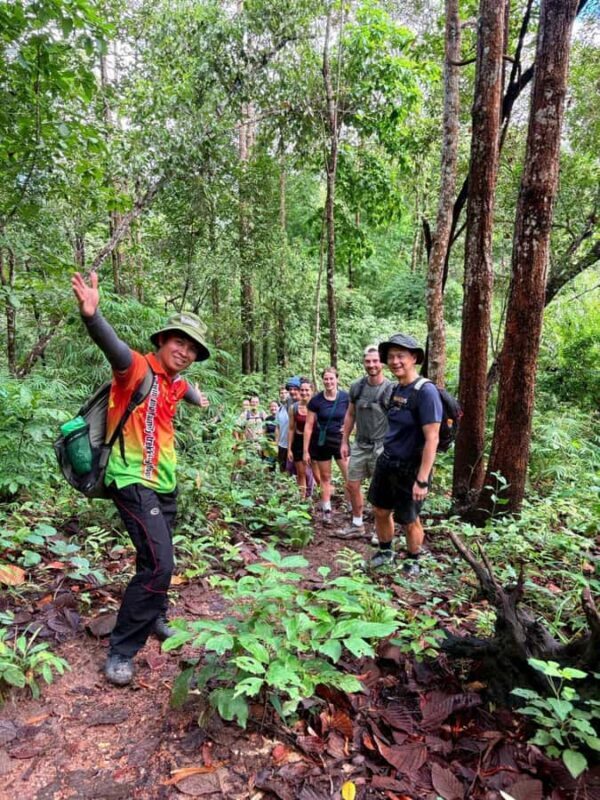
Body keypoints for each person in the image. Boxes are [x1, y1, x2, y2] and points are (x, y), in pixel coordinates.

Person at [71, 271, 210, 686]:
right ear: (162, 342)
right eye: (178, 342)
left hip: (165, 483)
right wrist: (93, 316)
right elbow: (112, 348)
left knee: (155, 556)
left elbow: (183, 387)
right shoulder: (135, 369)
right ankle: (122, 649)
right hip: (131, 479)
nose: (184, 352)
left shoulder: (173, 381)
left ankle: (156, 615)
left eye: (191, 348)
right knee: (161, 563)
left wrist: (197, 396)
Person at [367, 334, 442, 575]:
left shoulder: (426, 392)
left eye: (401, 356)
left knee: (410, 519)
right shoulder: (396, 389)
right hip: (388, 461)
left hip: (412, 468)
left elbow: (433, 438)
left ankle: (413, 559)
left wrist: (422, 479)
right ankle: (386, 551)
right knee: (380, 510)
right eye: (390, 357)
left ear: (414, 358)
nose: (395, 361)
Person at [339, 346, 392, 539]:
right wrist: (344, 441)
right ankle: (357, 524)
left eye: (375, 361)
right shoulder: (357, 387)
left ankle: (381, 531)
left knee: (380, 490)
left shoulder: (390, 389)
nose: (372, 365)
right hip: (360, 444)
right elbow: (350, 414)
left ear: (382, 363)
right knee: (352, 485)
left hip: (381, 446)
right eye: (368, 361)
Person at [303, 367, 349, 526]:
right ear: (322, 380)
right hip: (321, 441)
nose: (329, 382)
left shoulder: (346, 398)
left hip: (340, 442)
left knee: (349, 475)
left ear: (337, 379)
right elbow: (308, 426)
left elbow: (354, 417)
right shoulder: (316, 401)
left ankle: (352, 508)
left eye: (331, 378)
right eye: (326, 379)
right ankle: (327, 510)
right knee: (325, 477)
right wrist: (305, 451)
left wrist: (351, 429)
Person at [287, 380, 314, 498]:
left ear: (312, 391)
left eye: (307, 390)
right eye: (302, 390)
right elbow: (291, 428)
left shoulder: (317, 406)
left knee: (318, 474)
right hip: (298, 441)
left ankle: (321, 500)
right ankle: (302, 500)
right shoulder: (294, 407)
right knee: (301, 473)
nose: (304, 392)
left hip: (314, 442)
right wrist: (289, 449)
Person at [274, 386, 290, 472]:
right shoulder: (279, 410)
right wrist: (277, 443)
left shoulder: (292, 407)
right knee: (282, 468)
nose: (283, 395)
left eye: (285, 393)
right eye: (281, 393)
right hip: (281, 445)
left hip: (291, 445)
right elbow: (277, 427)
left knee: (291, 469)